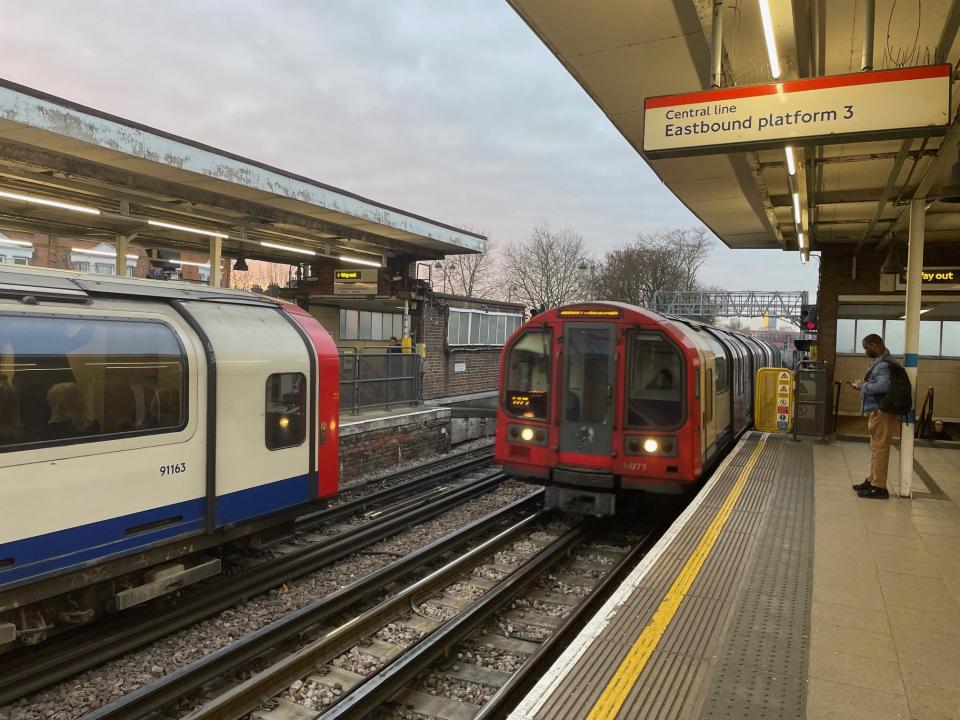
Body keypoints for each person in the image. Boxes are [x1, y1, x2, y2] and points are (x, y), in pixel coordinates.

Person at [849, 334, 898, 499]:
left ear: (876, 345)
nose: (865, 351)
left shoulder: (884, 365)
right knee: (876, 449)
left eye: (866, 347)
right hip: (878, 411)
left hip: (882, 412)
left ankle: (879, 487)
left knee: (880, 450)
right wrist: (863, 387)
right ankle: (872, 480)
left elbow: (883, 386)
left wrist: (864, 386)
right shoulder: (882, 362)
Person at [0, 376, 23, 445]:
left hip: (8, 421)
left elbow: (5, 406)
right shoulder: (11, 389)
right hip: (10, 421)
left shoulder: (7, 390)